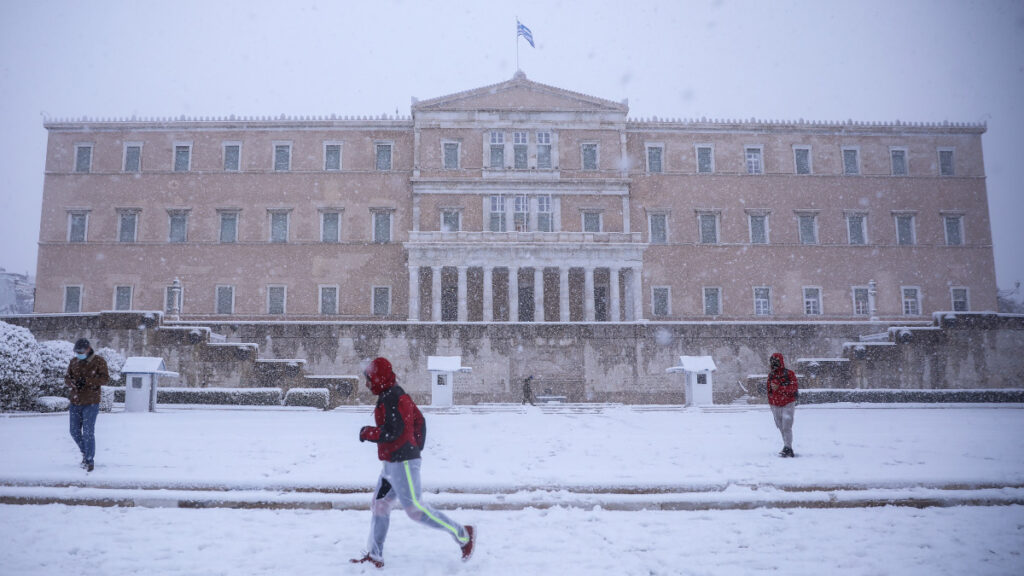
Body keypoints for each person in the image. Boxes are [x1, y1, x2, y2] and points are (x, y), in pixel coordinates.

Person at [351, 357, 475, 569]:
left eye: (369, 379)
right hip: (391, 464)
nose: (367, 384)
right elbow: (419, 420)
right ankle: (375, 555)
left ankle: (463, 534)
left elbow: (393, 431)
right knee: (379, 505)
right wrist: (414, 446)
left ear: (378, 378)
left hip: (403, 463)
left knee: (416, 510)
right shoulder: (388, 395)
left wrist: (369, 433)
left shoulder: (394, 397)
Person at [64, 338, 109, 472]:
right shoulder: (73, 362)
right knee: (74, 431)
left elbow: (105, 379)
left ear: (88, 349)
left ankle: (89, 460)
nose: (79, 354)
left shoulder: (99, 361)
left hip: (91, 402)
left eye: (81, 351)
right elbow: (67, 377)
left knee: (88, 432)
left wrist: (87, 381)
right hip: (75, 401)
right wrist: (72, 383)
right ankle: (85, 451)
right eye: (77, 352)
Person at [766, 352, 799, 457]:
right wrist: (771, 403)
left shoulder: (789, 374)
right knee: (780, 426)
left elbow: (793, 388)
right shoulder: (771, 375)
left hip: (787, 403)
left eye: (776, 362)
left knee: (786, 426)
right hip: (775, 404)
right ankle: (786, 446)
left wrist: (779, 388)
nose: (774, 364)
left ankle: (788, 447)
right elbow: (769, 390)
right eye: (772, 362)